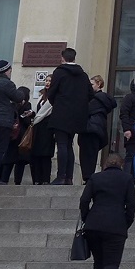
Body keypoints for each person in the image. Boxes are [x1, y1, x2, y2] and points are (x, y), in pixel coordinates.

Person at [78, 152, 135, 269]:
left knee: (99, 262)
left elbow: (84, 201)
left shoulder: (95, 178)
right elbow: (131, 205)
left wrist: (86, 218)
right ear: (121, 164)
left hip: (93, 226)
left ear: (105, 164)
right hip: (115, 227)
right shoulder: (126, 179)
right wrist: (126, 223)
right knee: (111, 264)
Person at [47, 48, 91, 187]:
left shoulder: (59, 72)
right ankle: (69, 177)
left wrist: (57, 103)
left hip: (61, 113)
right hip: (77, 115)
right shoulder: (83, 75)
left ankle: (61, 176)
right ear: (74, 58)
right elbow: (90, 94)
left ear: (62, 58)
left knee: (61, 144)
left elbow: (51, 92)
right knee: (69, 145)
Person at [80, 75, 116, 183]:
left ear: (99, 84)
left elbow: (85, 111)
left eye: (91, 84)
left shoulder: (97, 99)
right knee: (90, 154)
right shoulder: (102, 99)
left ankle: (88, 178)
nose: (89, 87)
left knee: (87, 155)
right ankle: (88, 177)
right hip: (95, 129)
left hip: (90, 128)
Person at [3, 87, 35, 185]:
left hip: (12, 135)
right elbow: (26, 121)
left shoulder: (11, 105)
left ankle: (4, 180)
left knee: (9, 160)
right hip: (21, 136)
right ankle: (17, 182)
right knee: (19, 162)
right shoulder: (27, 105)